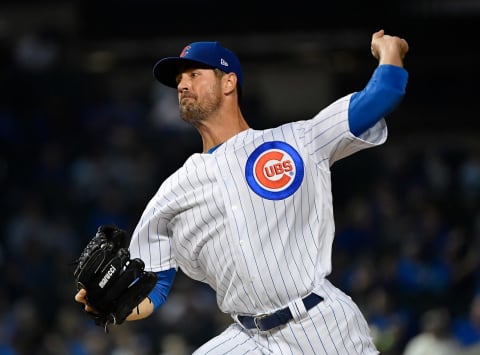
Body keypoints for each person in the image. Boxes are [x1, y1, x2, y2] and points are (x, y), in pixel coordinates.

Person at [76, 29, 409, 354]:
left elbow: (383, 95)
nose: (182, 84)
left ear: (229, 82)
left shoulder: (297, 141)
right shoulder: (172, 192)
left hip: (322, 326)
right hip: (250, 338)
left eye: (194, 74)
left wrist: (391, 50)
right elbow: (154, 289)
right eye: (178, 80)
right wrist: (107, 306)